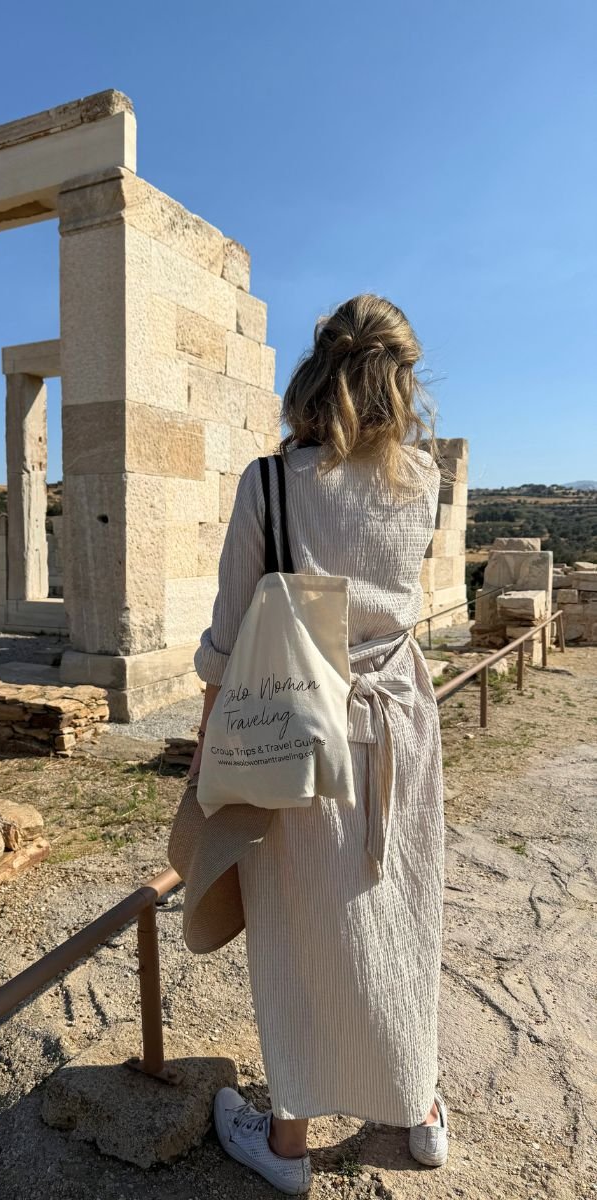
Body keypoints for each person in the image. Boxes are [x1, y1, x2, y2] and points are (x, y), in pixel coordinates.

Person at [185, 294, 448, 1194]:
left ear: (318, 367)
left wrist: (203, 748)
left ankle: (289, 1143)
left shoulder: (271, 482)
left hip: (305, 727)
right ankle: (417, 1109)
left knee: (301, 922)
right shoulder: (425, 483)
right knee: (404, 900)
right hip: (403, 722)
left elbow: (228, 637)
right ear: (399, 379)